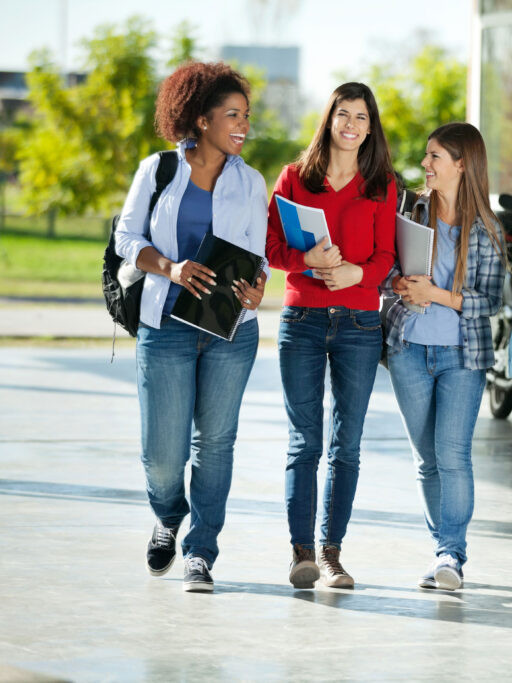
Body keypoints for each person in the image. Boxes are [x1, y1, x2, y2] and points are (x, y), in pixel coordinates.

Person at [115, 62, 268, 592]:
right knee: (163, 453)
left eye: (246, 115)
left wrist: (258, 286)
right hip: (166, 325)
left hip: (231, 329)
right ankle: (167, 511)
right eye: (232, 115)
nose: (243, 124)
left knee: (216, 444)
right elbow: (127, 240)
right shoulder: (158, 170)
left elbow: (259, 253)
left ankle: (201, 551)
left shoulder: (251, 181)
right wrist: (172, 268)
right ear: (200, 121)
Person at [266, 82, 397, 589]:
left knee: (348, 444)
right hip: (302, 321)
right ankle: (301, 553)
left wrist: (356, 276)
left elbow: (386, 257)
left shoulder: (382, 184)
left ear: (371, 127)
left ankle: (331, 554)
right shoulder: (295, 178)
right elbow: (271, 247)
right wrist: (308, 261)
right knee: (305, 442)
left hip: (360, 325)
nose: (352, 125)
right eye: (343, 114)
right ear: (329, 119)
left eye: (361, 117)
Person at [381, 122, 505, 591]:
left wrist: (437, 293)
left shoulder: (487, 227)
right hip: (409, 349)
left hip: (461, 355)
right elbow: (385, 271)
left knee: (452, 455)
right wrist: (400, 286)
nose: (425, 165)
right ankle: (441, 550)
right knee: (426, 459)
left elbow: (491, 301)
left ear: (461, 164)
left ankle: (450, 554)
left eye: (435, 157)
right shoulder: (409, 211)